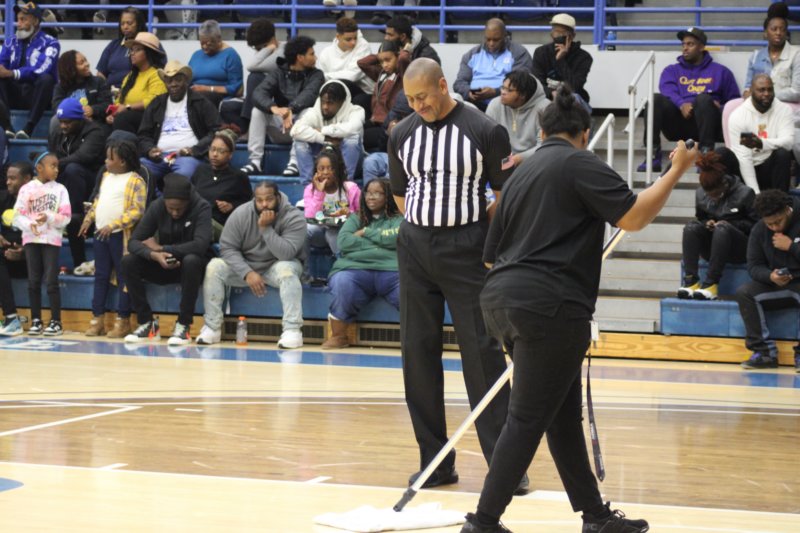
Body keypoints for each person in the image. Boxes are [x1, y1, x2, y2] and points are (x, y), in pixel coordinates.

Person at [460, 86, 698, 533]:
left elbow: (490, 257)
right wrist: (676, 171)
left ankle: (595, 517)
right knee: (527, 417)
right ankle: (483, 521)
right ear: (584, 133)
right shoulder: (579, 163)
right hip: (549, 306)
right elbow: (633, 217)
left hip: (501, 300)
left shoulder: (521, 176)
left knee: (561, 416)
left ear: (542, 132)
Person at [388, 58, 524, 493]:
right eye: (411, 99)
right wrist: (423, 225)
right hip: (415, 248)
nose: (418, 105)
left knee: (482, 354)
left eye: (423, 97)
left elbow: (505, 195)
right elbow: (399, 193)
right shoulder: (401, 134)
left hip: (467, 248)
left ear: (443, 85)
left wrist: (477, 235)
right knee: (417, 353)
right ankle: (435, 462)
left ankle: (505, 467)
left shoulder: (484, 130)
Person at [197, 181, 306, 349]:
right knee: (214, 267)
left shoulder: (294, 216)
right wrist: (247, 272)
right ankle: (212, 327)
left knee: (287, 271)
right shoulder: (241, 213)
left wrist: (265, 229)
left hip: (277, 265)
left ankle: (293, 330)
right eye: (259, 200)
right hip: (248, 265)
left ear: (278, 197)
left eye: (269, 199)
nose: (264, 204)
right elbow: (227, 248)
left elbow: (286, 254)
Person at [121, 173, 212, 346]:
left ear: (188, 201)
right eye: (171, 208)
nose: (175, 212)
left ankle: (184, 325)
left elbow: (200, 245)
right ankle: (147, 323)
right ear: (164, 202)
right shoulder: (157, 206)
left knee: (192, 260)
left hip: (191, 268)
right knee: (128, 262)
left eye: (179, 209)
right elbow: (133, 242)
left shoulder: (202, 207)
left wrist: (163, 249)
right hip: (162, 263)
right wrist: (154, 255)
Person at [637, 27, 740, 171]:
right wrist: (681, 104)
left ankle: (706, 157)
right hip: (680, 125)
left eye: (690, 44)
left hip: (709, 126)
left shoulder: (721, 72)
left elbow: (735, 104)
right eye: (683, 44)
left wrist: (720, 108)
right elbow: (667, 90)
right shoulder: (671, 71)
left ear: (701, 47)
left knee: (703, 99)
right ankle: (652, 155)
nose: (685, 48)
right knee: (654, 100)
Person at [78, 139, 147, 339]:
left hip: (120, 236)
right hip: (101, 233)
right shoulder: (106, 176)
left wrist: (114, 225)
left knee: (124, 277)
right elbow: (98, 201)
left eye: (110, 158)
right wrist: (88, 219)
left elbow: (137, 211)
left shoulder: (136, 181)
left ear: (122, 162)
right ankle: (97, 319)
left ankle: (123, 320)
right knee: (101, 276)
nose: (106, 161)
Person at [322, 178, 401, 349]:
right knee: (342, 283)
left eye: (377, 193)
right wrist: (379, 244)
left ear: (388, 196)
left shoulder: (399, 218)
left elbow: (396, 238)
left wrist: (366, 232)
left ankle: (417, 341)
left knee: (410, 290)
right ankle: (339, 336)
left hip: (392, 271)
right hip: (354, 269)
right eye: (368, 193)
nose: (371, 197)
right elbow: (344, 242)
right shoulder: (356, 217)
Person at [678, 148, 757, 301]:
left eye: (717, 195)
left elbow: (757, 226)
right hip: (714, 247)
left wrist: (731, 224)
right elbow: (700, 218)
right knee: (691, 227)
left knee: (722, 228)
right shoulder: (700, 194)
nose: (713, 199)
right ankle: (690, 281)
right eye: (709, 195)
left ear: (725, 184)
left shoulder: (745, 193)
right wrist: (706, 223)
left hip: (740, 248)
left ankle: (711, 283)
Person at [736, 190, 800, 373]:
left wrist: (792, 247)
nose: (774, 227)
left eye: (778, 221)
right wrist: (770, 276)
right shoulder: (759, 230)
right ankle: (764, 353)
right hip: (778, 284)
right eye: (769, 224)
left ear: (787, 210)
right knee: (745, 292)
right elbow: (754, 266)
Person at [242, 35, 324, 176]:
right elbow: (258, 93)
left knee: (308, 112)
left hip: (300, 126)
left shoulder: (317, 75)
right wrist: (273, 107)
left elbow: (309, 95)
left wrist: (290, 109)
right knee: (257, 111)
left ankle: (295, 162)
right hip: (280, 127)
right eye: (312, 54)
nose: (315, 58)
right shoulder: (278, 73)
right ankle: (255, 162)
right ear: (300, 57)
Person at [722, 2, 800, 148]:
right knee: (730, 107)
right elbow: (747, 86)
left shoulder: (796, 54)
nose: (778, 33)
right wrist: (747, 93)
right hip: (759, 101)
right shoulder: (756, 56)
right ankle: (733, 151)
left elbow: (797, 92)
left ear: (786, 33)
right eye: (774, 29)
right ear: (765, 33)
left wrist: (767, 95)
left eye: (782, 29)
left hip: (787, 103)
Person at [138, 60, 222, 189]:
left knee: (183, 176)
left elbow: (215, 131)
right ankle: (157, 199)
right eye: (169, 81)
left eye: (178, 80)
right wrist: (150, 150)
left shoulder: (200, 102)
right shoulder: (156, 103)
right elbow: (143, 134)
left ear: (186, 81)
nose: (173, 84)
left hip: (188, 157)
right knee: (139, 172)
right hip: (158, 158)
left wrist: (194, 150)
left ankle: (165, 199)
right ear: (165, 83)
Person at [13, 152, 71, 336]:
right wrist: (29, 224)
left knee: (51, 281)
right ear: (39, 168)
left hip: (51, 240)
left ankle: (56, 321)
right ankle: (36, 320)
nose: (56, 169)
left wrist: (49, 217)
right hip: (31, 239)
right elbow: (17, 216)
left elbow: (66, 217)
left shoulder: (60, 189)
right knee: (33, 281)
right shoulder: (26, 189)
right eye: (52, 166)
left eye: (57, 166)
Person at [48, 97, 107, 271]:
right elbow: (52, 157)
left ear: (79, 119)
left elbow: (84, 157)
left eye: (68, 122)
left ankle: (74, 215)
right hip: (68, 182)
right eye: (61, 122)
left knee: (73, 168)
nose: (63, 126)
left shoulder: (95, 131)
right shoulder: (59, 132)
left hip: (92, 184)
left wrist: (55, 164)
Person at [0, 2, 59, 140]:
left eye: (23, 19)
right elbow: (2, 66)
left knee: (46, 79)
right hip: (14, 94)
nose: (18, 23)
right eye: (18, 19)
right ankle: (7, 127)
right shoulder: (10, 42)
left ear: (36, 21)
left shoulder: (51, 42)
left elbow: (41, 69)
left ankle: (29, 128)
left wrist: (12, 73)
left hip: (36, 95)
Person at [728, 74, 794, 193]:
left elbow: (788, 143)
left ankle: (781, 200)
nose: (766, 94)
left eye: (770, 89)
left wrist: (762, 144)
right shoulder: (738, 116)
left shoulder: (784, 110)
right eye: (761, 90)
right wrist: (755, 194)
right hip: (745, 170)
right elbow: (744, 158)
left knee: (783, 154)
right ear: (751, 91)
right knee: (722, 154)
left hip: (769, 168)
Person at [219, 17, 284, 135]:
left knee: (255, 77)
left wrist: (269, 48)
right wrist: (266, 48)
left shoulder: (282, 52)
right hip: (259, 101)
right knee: (226, 107)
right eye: (256, 48)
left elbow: (251, 66)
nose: (258, 51)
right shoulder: (264, 54)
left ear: (272, 40)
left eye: (260, 48)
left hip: (276, 103)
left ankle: (244, 125)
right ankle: (247, 125)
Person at [292, 80, 365, 183]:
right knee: (300, 141)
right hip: (321, 163)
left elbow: (353, 128)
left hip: (350, 163)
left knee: (352, 139)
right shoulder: (314, 112)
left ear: (342, 102)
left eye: (330, 103)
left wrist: (323, 130)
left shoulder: (356, 111)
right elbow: (295, 131)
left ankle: (345, 184)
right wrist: (325, 139)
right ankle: (309, 186)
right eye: (323, 102)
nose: (325, 107)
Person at [453, 19, 533, 111]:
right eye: (488, 39)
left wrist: (496, 92)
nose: (491, 43)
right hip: (474, 105)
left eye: (496, 40)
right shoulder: (472, 54)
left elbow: (520, 83)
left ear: (505, 36)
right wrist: (469, 93)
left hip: (505, 105)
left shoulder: (519, 53)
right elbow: (459, 83)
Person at [191, 129, 253, 240]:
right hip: (197, 219)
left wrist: (231, 206)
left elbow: (248, 204)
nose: (215, 154)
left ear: (230, 155)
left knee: (203, 224)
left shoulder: (239, 177)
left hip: (220, 224)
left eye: (221, 151)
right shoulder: (201, 170)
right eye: (212, 149)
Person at [304, 146, 361, 258]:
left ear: (337, 170)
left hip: (344, 230)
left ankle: (344, 262)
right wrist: (319, 192)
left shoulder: (351, 189)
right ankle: (304, 266)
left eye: (331, 168)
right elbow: (310, 217)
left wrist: (349, 214)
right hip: (320, 232)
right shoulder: (310, 189)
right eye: (321, 169)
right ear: (316, 171)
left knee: (333, 234)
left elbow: (362, 214)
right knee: (304, 230)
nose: (326, 172)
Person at [106, 32, 168, 134]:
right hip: (127, 118)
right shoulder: (130, 75)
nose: (132, 53)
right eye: (131, 50)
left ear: (149, 53)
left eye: (137, 50)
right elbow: (119, 100)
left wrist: (127, 108)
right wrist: (113, 113)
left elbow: (154, 101)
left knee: (123, 119)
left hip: (149, 119)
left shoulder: (156, 74)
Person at [486, 71, 549, 168]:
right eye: (503, 87)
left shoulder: (544, 108)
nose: (503, 92)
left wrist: (516, 159)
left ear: (523, 95)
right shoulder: (495, 104)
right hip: (502, 161)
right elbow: (486, 139)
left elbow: (545, 146)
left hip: (534, 163)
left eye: (509, 90)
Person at [357, 40, 411, 153]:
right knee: (353, 131)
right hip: (374, 120)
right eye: (381, 61)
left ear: (397, 56)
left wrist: (405, 50)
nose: (385, 64)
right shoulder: (381, 73)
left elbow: (403, 59)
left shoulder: (402, 75)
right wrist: (380, 55)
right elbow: (362, 63)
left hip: (387, 123)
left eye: (388, 60)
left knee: (361, 137)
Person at [531, 13, 593, 112]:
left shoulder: (584, 57)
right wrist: (551, 93)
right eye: (556, 32)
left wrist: (560, 60)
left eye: (563, 33)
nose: (559, 36)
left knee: (573, 99)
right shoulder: (541, 52)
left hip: (572, 98)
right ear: (551, 34)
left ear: (572, 36)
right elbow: (537, 83)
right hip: (547, 96)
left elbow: (575, 87)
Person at [0, 161, 33, 336]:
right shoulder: (4, 197)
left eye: (13, 178)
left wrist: (24, 253)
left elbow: (49, 236)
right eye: (7, 178)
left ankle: (11, 319)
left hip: (31, 260)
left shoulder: (39, 201)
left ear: (26, 179)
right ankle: (11, 318)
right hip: (7, 256)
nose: (8, 182)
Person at [317, 17, 374, 113]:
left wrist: (326, 76)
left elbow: (353, 76)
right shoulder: (326, 53)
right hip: (338, 93)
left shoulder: (363, 46)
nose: (353, 42)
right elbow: (322, 81)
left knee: (344, 86)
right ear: (338, 37)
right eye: (348, 39)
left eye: (355, 38)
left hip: (364, 92)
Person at [52, 50, 112, 133]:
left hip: (95, 122)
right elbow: (58, 107)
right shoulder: (61, 87)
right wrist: (78, 113)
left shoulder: (98, 82)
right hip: (70, 122)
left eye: (86, 60)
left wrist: (93, 110)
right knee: (55, 121)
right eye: (81, 63)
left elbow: (107, 104)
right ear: (71, 68)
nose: (87, 64)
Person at [188, 20, 244, 108]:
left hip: (217, 95)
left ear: (219, 39)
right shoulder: (196, 55)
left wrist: (207, 89)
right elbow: (188, 79)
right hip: (195, 94)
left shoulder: (231, 55)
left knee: (200, 98)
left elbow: (235, 88)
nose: (204, 47)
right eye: (202, 43)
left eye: (208, 44)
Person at [96, 7, 148, 90]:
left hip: (138, 92)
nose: (125, 27)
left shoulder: (149, 45)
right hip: (112, 93)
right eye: (122, 24)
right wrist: (105, 91)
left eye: (129, 23)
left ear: (139, 23)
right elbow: (100, 74)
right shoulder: (113, 45)